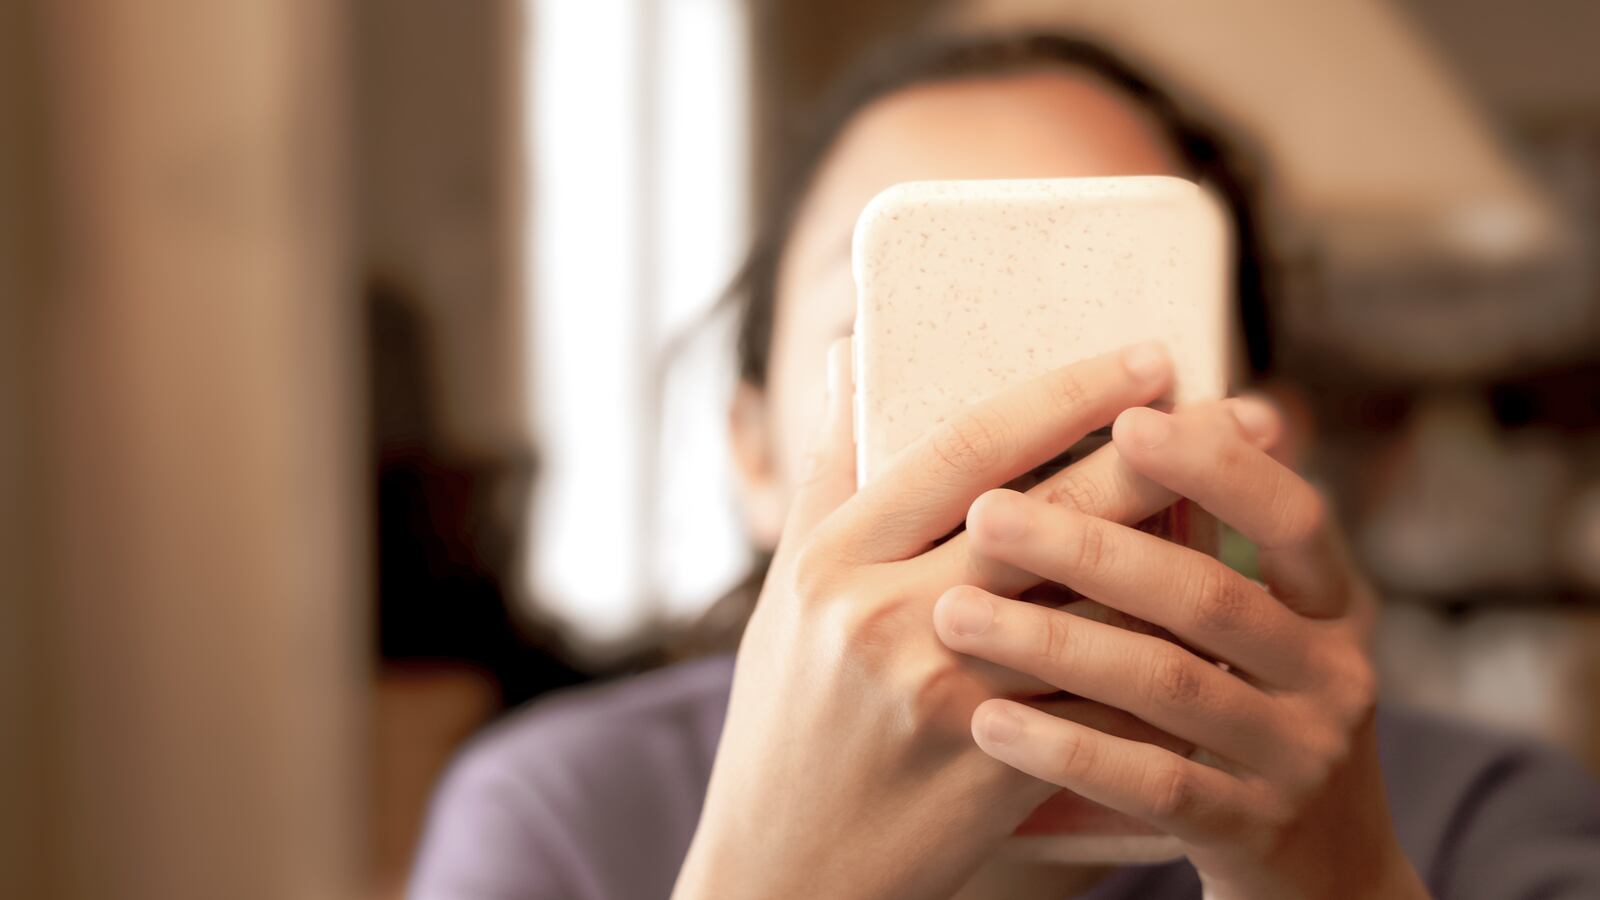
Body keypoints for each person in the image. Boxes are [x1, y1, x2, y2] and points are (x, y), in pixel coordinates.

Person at [409, 32, 1600, 900]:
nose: (1015, 433)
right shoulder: (562, 818)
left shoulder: (1477, 822)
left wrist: (1345, 883)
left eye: (1106, 333)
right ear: (755, 454)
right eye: (899, 331)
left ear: (1264, 436)